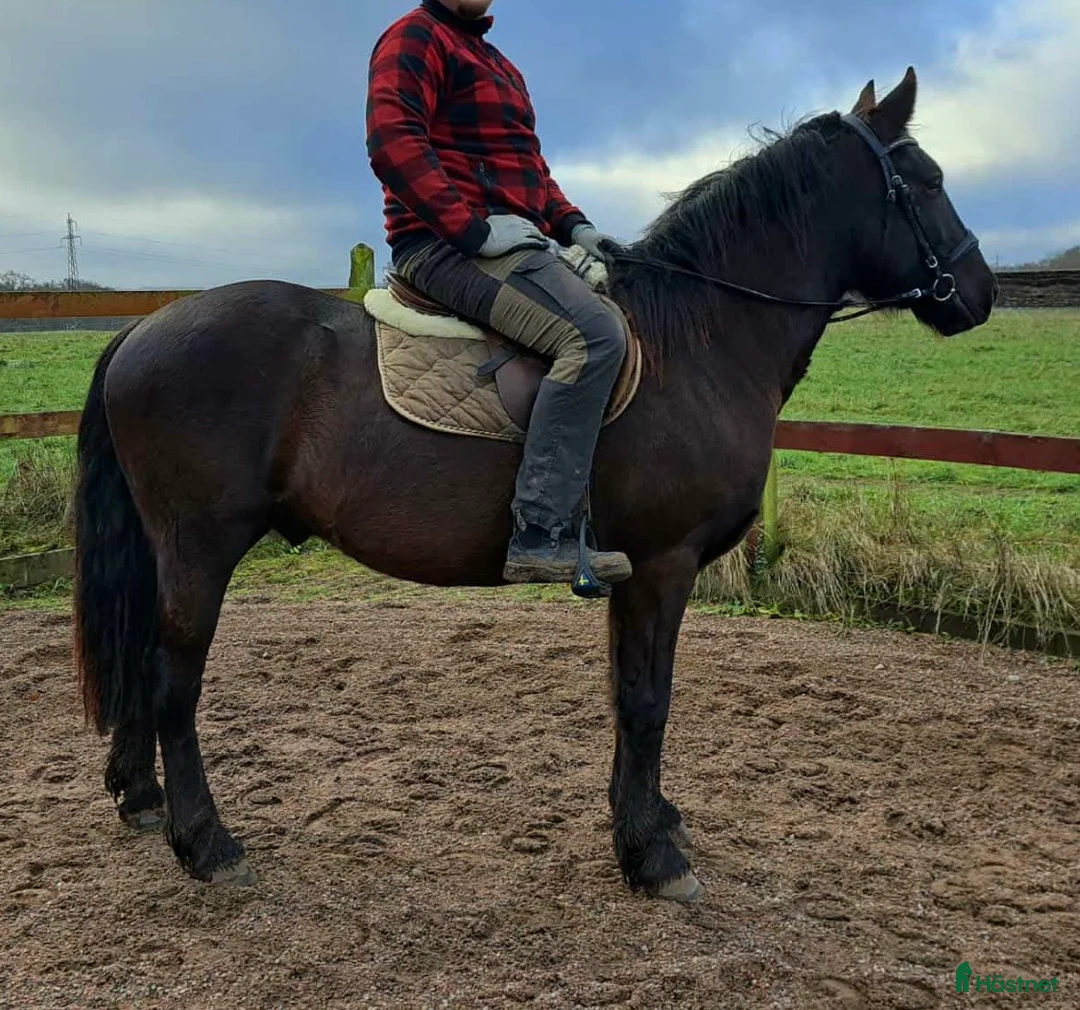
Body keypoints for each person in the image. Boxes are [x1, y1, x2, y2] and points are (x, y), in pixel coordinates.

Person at [367, 0, 632, 587]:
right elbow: (392, 141)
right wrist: (472, 230)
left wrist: (576, 226)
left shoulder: (500, 65)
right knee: (592, 336)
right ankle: (540, 533)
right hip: (443, 245)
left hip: (512, 239)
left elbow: (529, 170)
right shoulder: (416, 37)